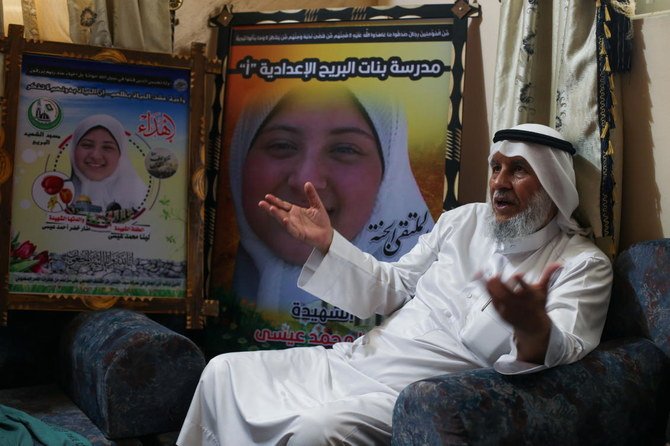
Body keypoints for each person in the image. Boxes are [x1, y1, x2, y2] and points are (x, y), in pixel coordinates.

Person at [178, 123, 612, 445]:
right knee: (224, 371)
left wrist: (531, 326)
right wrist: (330, 243)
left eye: (518, 171)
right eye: (496, 168)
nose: (499, 183)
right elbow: (392, 285)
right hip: (355, 360)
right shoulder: (464, 221)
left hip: (410, 394)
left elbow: (567, 346)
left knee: (318, 431)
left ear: (553, 184)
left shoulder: (581, 263)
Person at [229, 84, 434, 311]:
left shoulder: (429, 303)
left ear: (389, 176)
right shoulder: (204, 295)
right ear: (240, 159)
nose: (307, 179)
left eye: (344, 149)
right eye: (281, 145)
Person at [69, 114, 147, 212]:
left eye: (107, 147)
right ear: (73, 150)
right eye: (87, 145)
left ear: (121, 156)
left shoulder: (140, 198)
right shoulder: (56, 194)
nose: (95, 156)